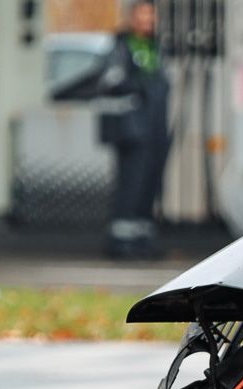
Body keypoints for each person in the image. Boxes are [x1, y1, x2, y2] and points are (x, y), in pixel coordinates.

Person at [99, 0, 171, 259]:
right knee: (130, 185)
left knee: (148, 186)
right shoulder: (122, 45)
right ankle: (120, 241)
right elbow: (111, 81)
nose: (147, 22)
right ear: (132, 18)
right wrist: (137, 85)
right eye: (142, 16)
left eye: (151, 17)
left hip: (155, 131)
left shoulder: (155, 47)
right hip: (132, 130)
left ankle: (142, 238)